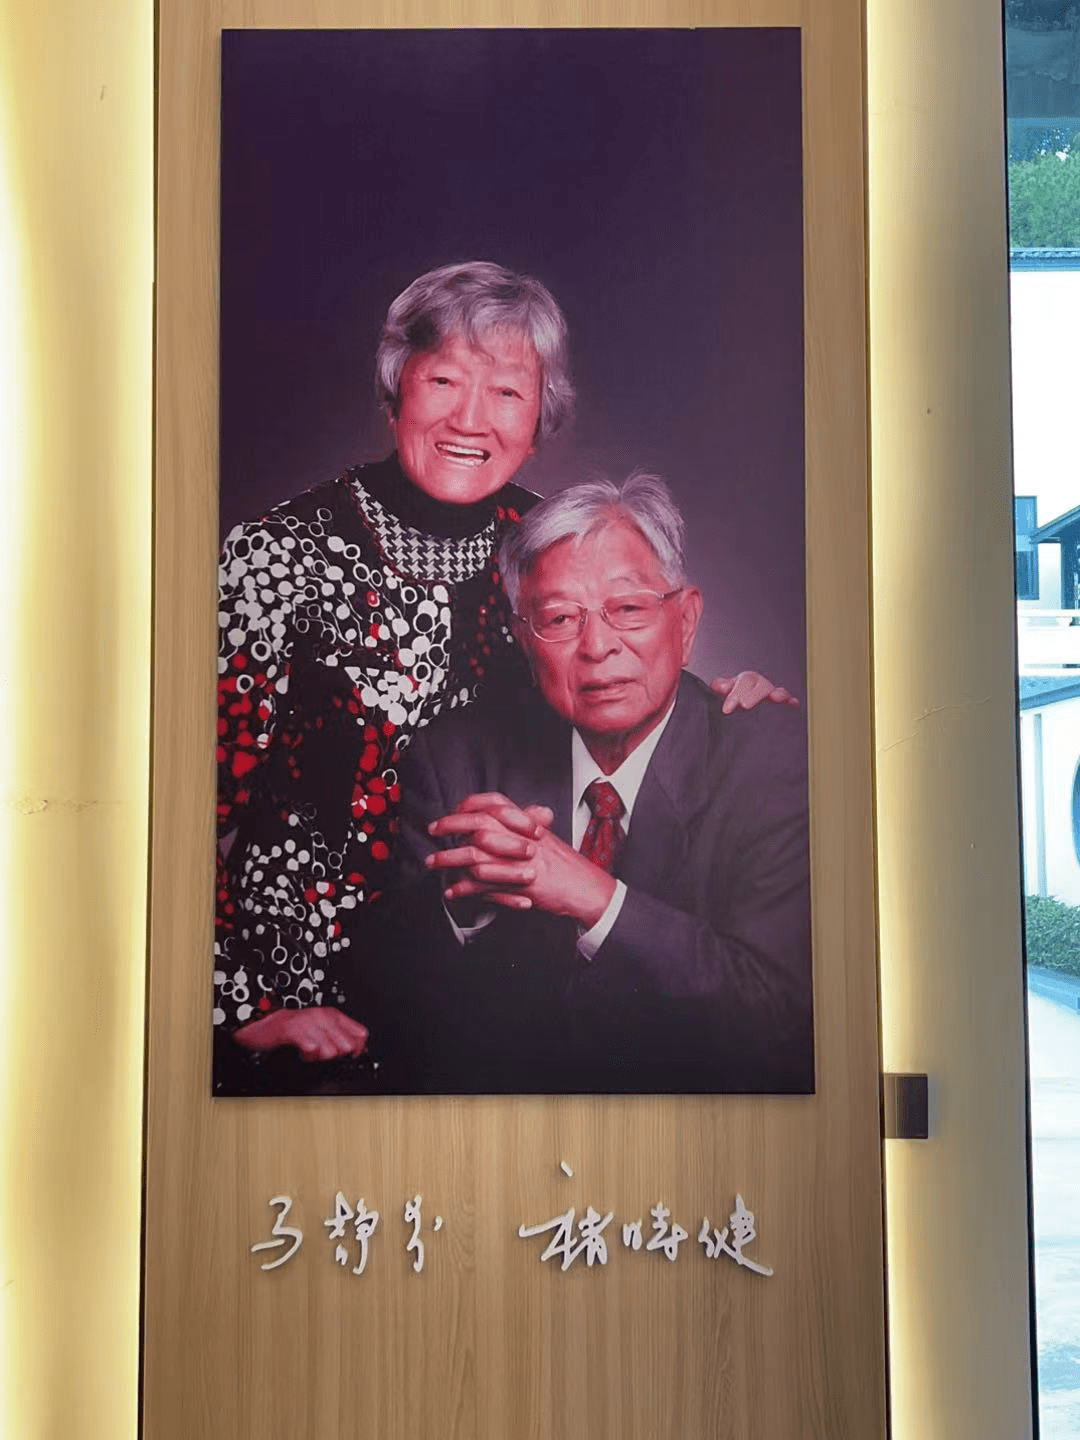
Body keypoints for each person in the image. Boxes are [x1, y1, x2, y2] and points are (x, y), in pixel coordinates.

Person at [213, 262, 794, 1089]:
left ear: (539, 419)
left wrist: (730, 701)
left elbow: (624, 654)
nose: (470, 419)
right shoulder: (277, 560)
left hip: (472, 982)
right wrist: (239, 1003)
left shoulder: (539, 539)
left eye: (507, 393)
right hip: (298, 989)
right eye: (444, 381)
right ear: (395, 390)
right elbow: (176, 808)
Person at [379, 474, 812, 1094]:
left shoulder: (771, 758)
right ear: (523, 640)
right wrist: (461, 909)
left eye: (628, 609)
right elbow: (398, 1015)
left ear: (686, 620)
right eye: (559, 618)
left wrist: (597, 898)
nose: (598, 647)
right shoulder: (456, 760)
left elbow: (777, 1018)